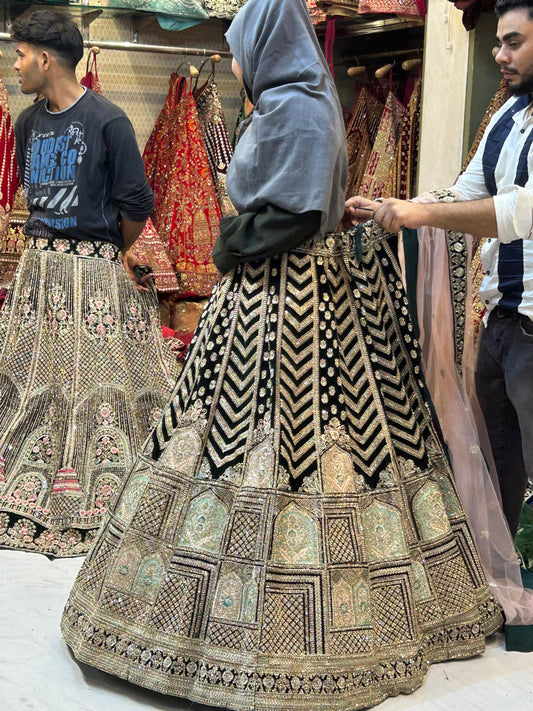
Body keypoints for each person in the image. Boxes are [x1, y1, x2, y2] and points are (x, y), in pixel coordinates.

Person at [61, 1, 501, 708]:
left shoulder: (298, 108)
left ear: (265, 44)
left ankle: (284, 627)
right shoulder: (292, 104)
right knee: (238, 440)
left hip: (287, 300)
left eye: (239, 47)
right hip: (268, 297)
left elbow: (291, 216)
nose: (235, 62)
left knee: (282, 447)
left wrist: (233, 242)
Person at [346, 0, 533, 541]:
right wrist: (392, 206)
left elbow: (518, 213)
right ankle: (503, 595)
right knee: (498, 470)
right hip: (502, 323)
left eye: (513, 42)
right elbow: (468, 189)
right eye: (498, 41)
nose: (499, 54)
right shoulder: (508, 114)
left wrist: (420, 213)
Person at [0, 9, 179, 556]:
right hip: (38, 275)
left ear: (46, 58)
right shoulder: (29, 123)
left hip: (93, 276)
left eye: (21, 53)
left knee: (93, 388)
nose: (15, 64)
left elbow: (136, 202)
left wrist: (107, 252)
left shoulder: (109, 121)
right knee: (30, 379)